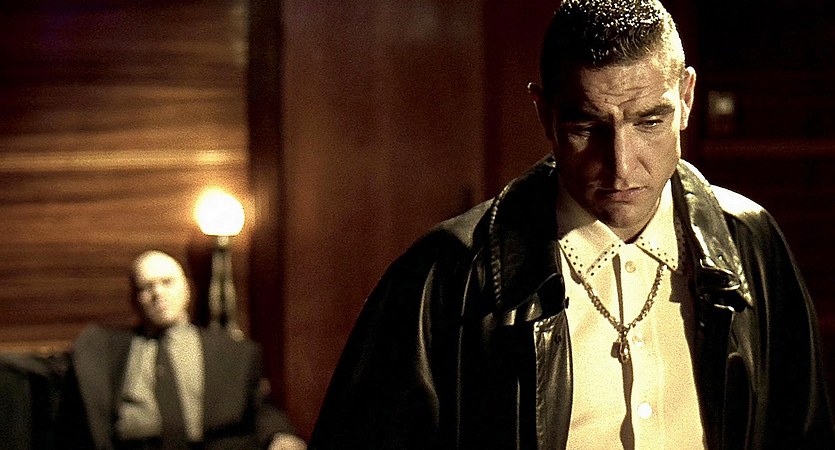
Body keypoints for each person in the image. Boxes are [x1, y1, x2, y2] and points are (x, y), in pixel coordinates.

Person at [309, 0, 835, 448]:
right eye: (588, 126)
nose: (622, 166)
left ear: (687, 99)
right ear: (545, 113)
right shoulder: (448, 274)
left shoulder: (750, 244)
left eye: (649, 121)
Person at [60, 250, 307, 450]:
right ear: (134, 300)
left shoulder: (232, 351)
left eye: (167, 282)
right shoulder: (106, 351)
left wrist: (279, 435)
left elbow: (261, 407)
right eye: (146, 287)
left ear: (187, 289)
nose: (158, 293)